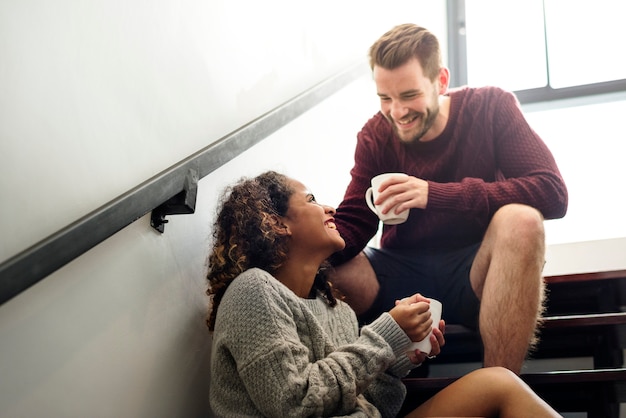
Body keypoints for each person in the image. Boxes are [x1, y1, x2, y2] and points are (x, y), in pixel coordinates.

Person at [206, 171, 561, 417]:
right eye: (312, 199)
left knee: (497, 383)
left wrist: (398, 358)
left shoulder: (336, 309)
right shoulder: (254, 291)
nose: (330, 208)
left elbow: (376, 408)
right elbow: (294, 405)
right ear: (276, 222)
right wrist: (384, 339)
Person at [329, 23, 569, 374]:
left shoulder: (490, 107)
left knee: (522, 220)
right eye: (385, 98)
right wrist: (298, 241)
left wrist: (434, 194)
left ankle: (499, 390)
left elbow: (552, 192)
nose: (396, 112)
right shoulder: (374, 135)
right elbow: (354, 222)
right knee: (322, 255)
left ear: (441, 81)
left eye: (409, 95)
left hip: (477, 275)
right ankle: (348, 391)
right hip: (397, 275)